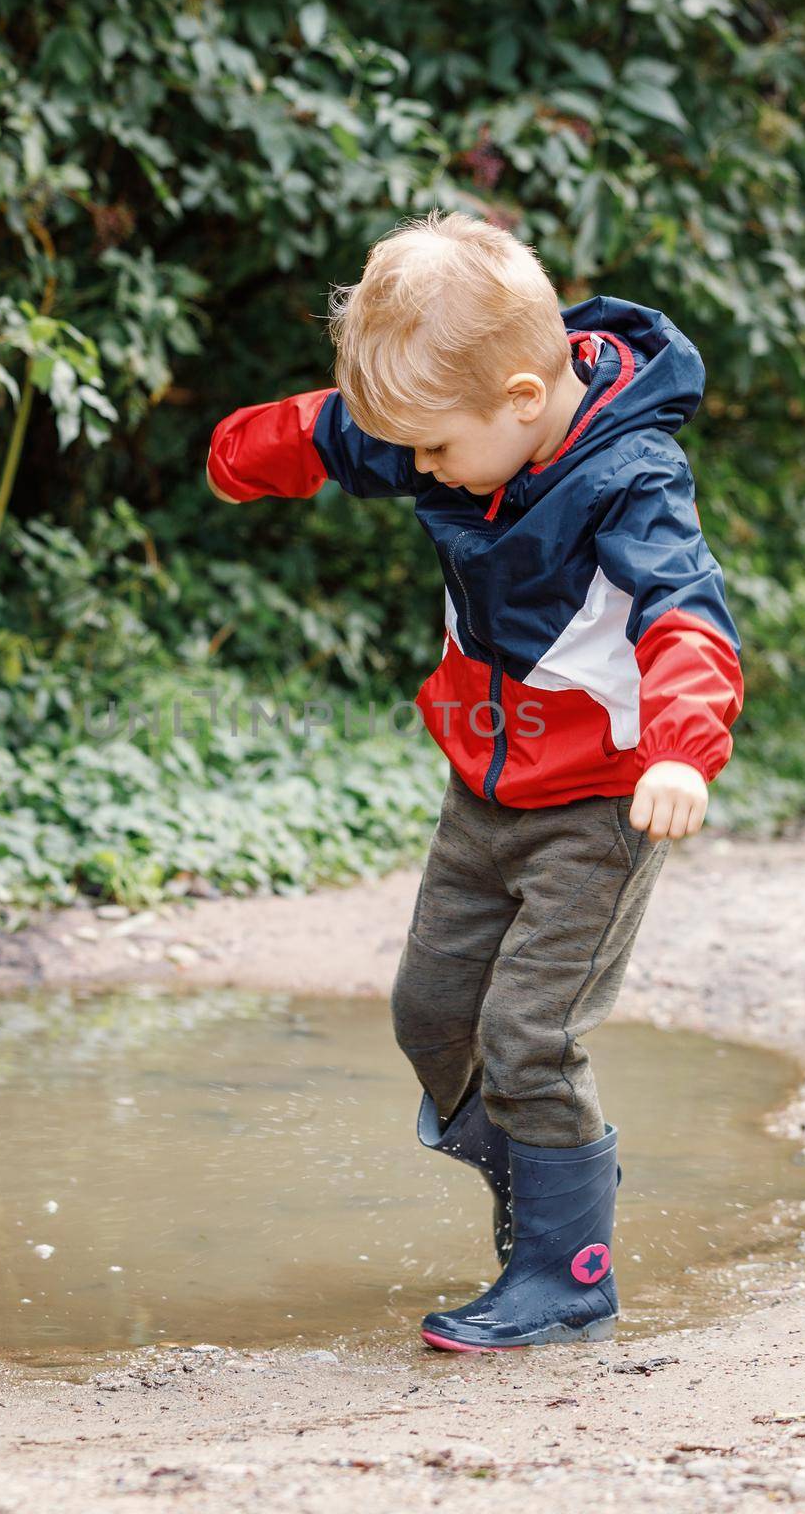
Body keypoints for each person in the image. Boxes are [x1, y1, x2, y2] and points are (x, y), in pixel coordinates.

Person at [205, 208, 744, 1352]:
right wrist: (248, 453)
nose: (415, 471)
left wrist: (677, 753)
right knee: (430, 1013)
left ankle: (567, 1270)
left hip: (598, 806)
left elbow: (686, 621)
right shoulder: (446, 420)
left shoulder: (628, 479)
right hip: (481, 794)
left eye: (433, 454)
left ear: (517, 399)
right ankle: (543, 1172)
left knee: (528, 1033)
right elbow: (330, 431)